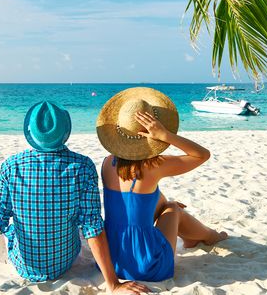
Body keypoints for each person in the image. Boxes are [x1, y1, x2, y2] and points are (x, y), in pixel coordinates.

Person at [0, 101, 149, 294]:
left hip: (23, 267)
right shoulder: (83, 166)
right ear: (65, 132)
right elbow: (92, 226)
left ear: (30, 133)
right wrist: (112, 284)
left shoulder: (11, 167)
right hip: (64, 263)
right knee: (78, 224)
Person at [96, 87, 228, 282]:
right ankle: (210, 237)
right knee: (173, 209)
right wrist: (166, 135)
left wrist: (163, 204)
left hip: (112, 261)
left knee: (161, 202)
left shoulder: (108, 163)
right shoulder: (154, 165)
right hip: (148, 265)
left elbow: (140, 201)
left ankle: (197, 236)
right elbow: (202, 155)